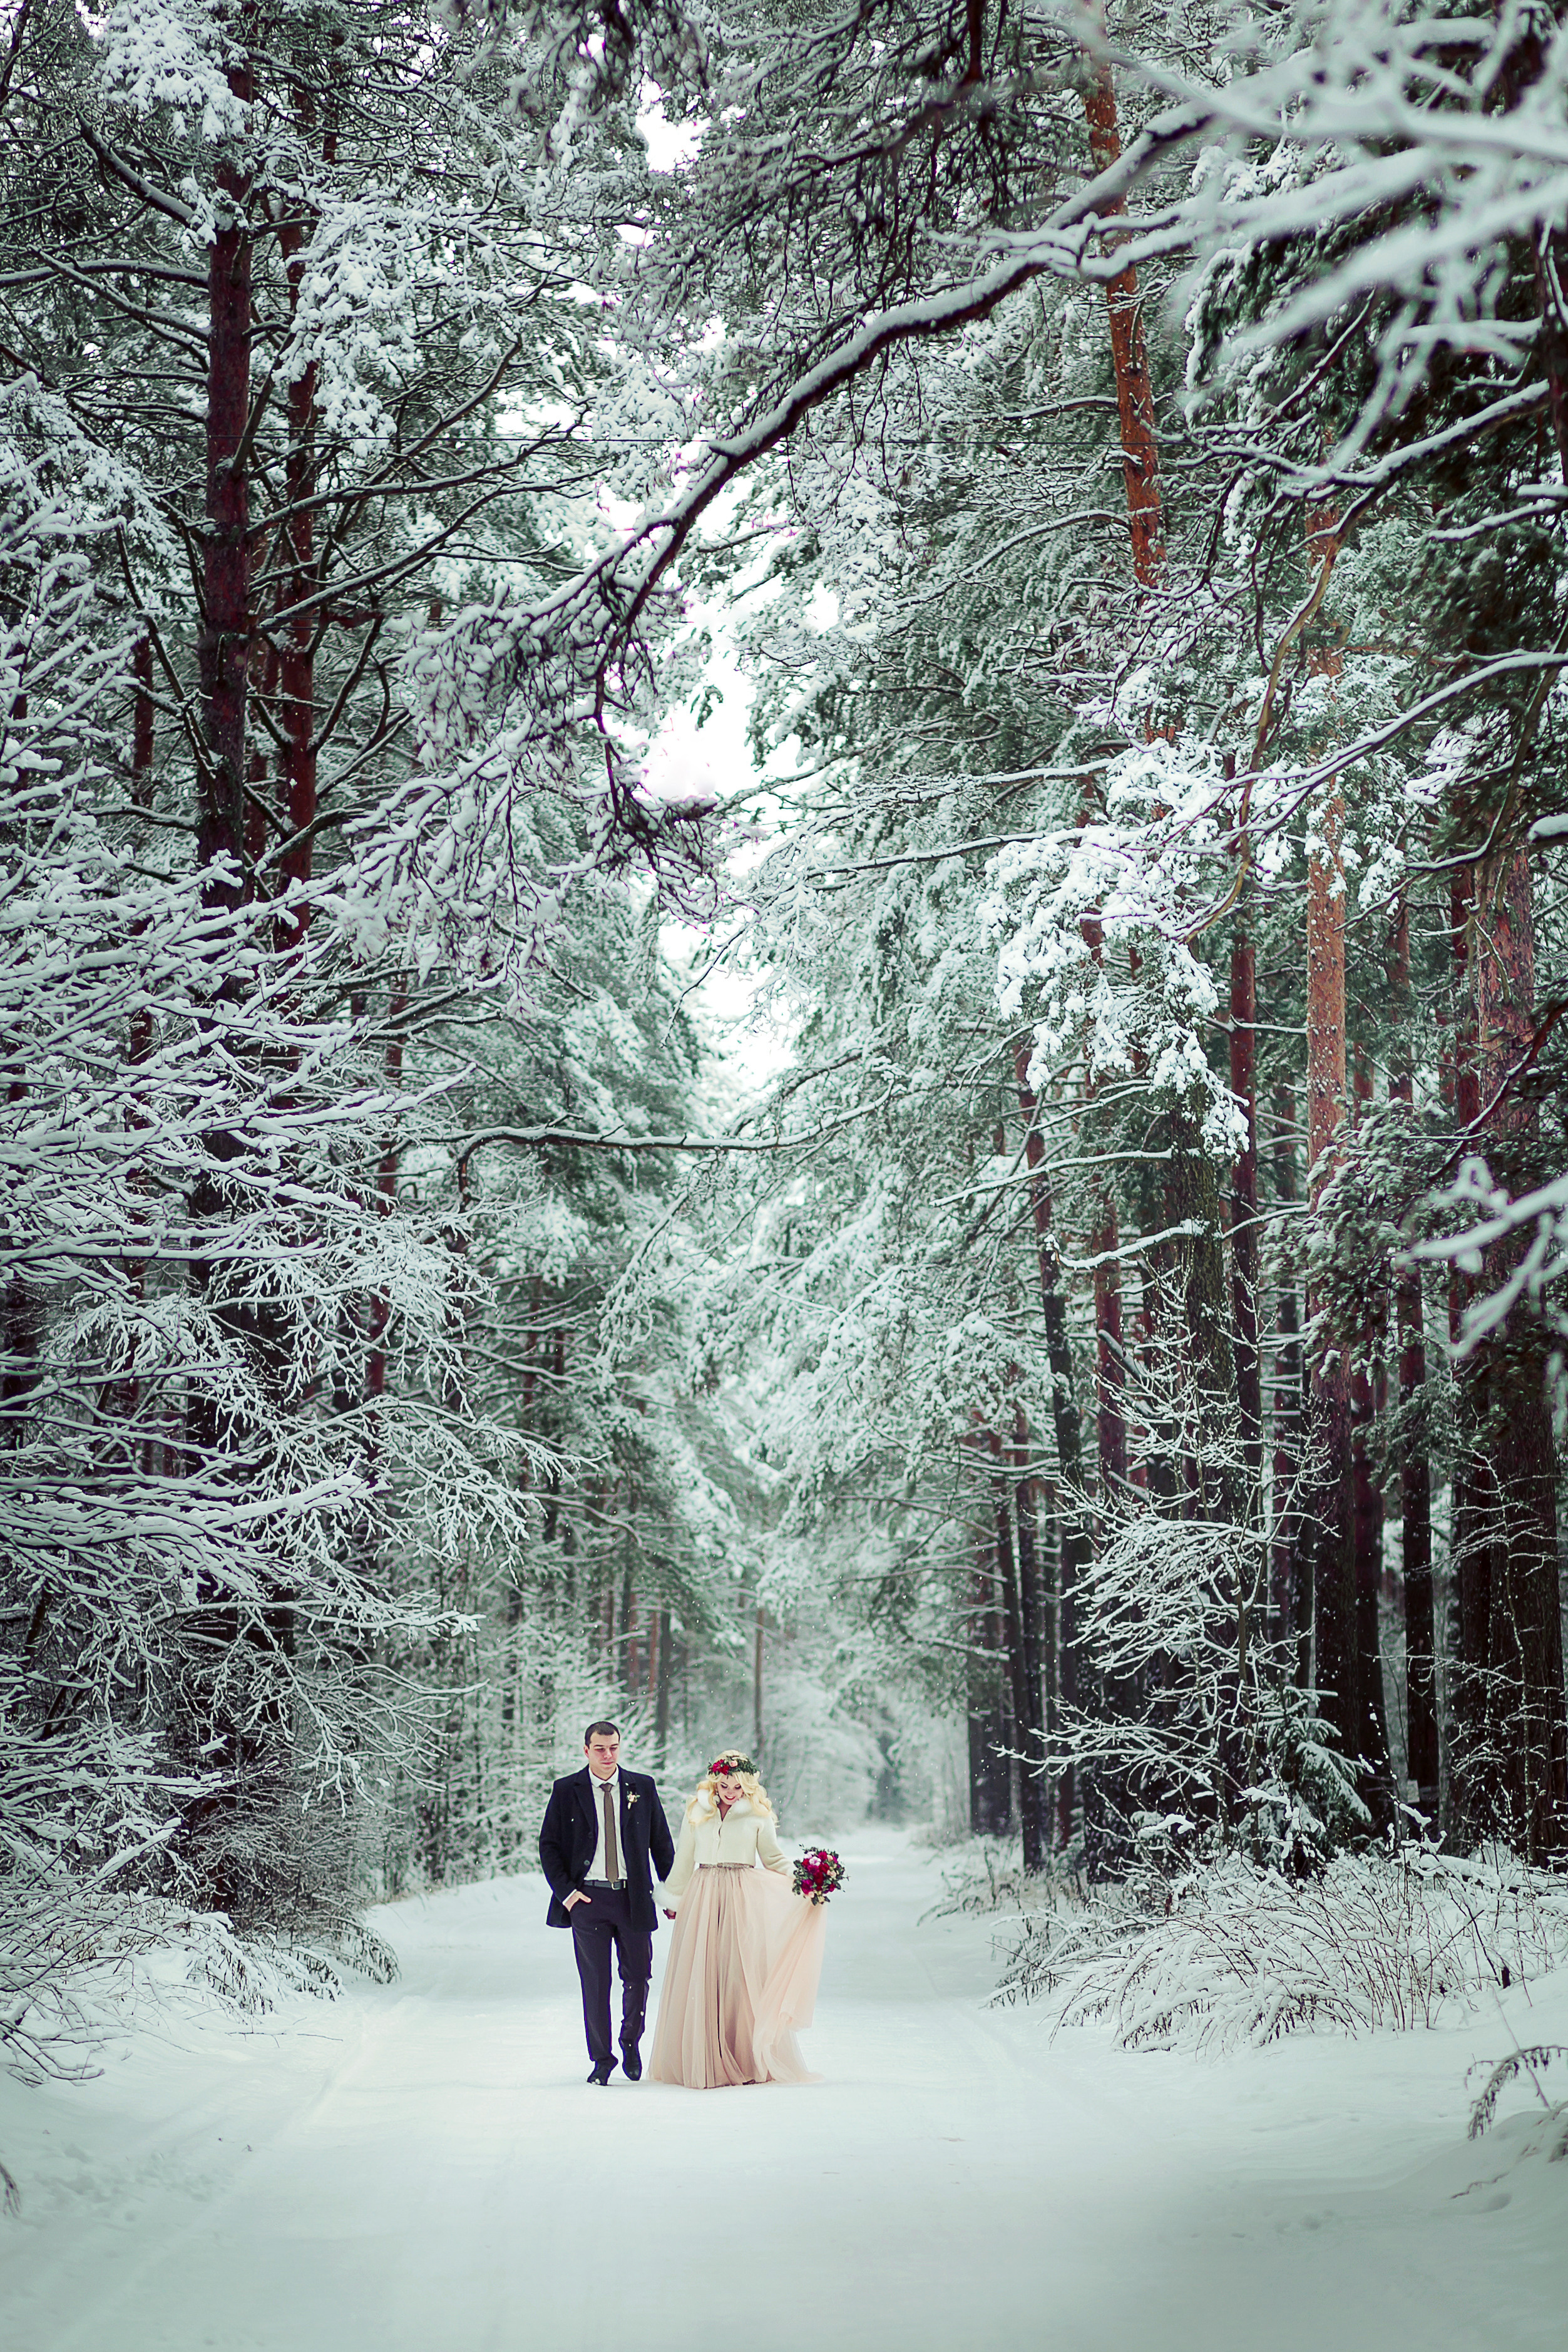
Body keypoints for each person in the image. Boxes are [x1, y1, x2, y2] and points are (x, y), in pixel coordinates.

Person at [648, 1748, 828, 2088]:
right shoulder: (696, 1813)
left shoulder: (757, 1817)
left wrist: (808, 1878)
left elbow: (774, 1859)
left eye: (737, 1787)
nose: (730, 1792)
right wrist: (674, 1897)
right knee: (702, 1971)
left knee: (737, 1973)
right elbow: (684, 1860)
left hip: (741, 1894)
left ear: (748, 1786)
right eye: (724, 1785)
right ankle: (704, 2056)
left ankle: (741, 2055)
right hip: (702, 1894)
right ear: (715, 1782)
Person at [538, 1720, 675, 2085]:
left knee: (638, 1977)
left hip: (633, 1897)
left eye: (613, 1747)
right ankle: (601, 2059)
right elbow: (548, 1846)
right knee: (595, 1983)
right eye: (600, 1748)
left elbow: (661, 1843)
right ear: (586, 1750)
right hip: (588, 1900)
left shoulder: (641, 1787)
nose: (607, 1754)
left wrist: (672, 1893)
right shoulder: (567, 1790)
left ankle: (631, 2041)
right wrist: (568, 1894)